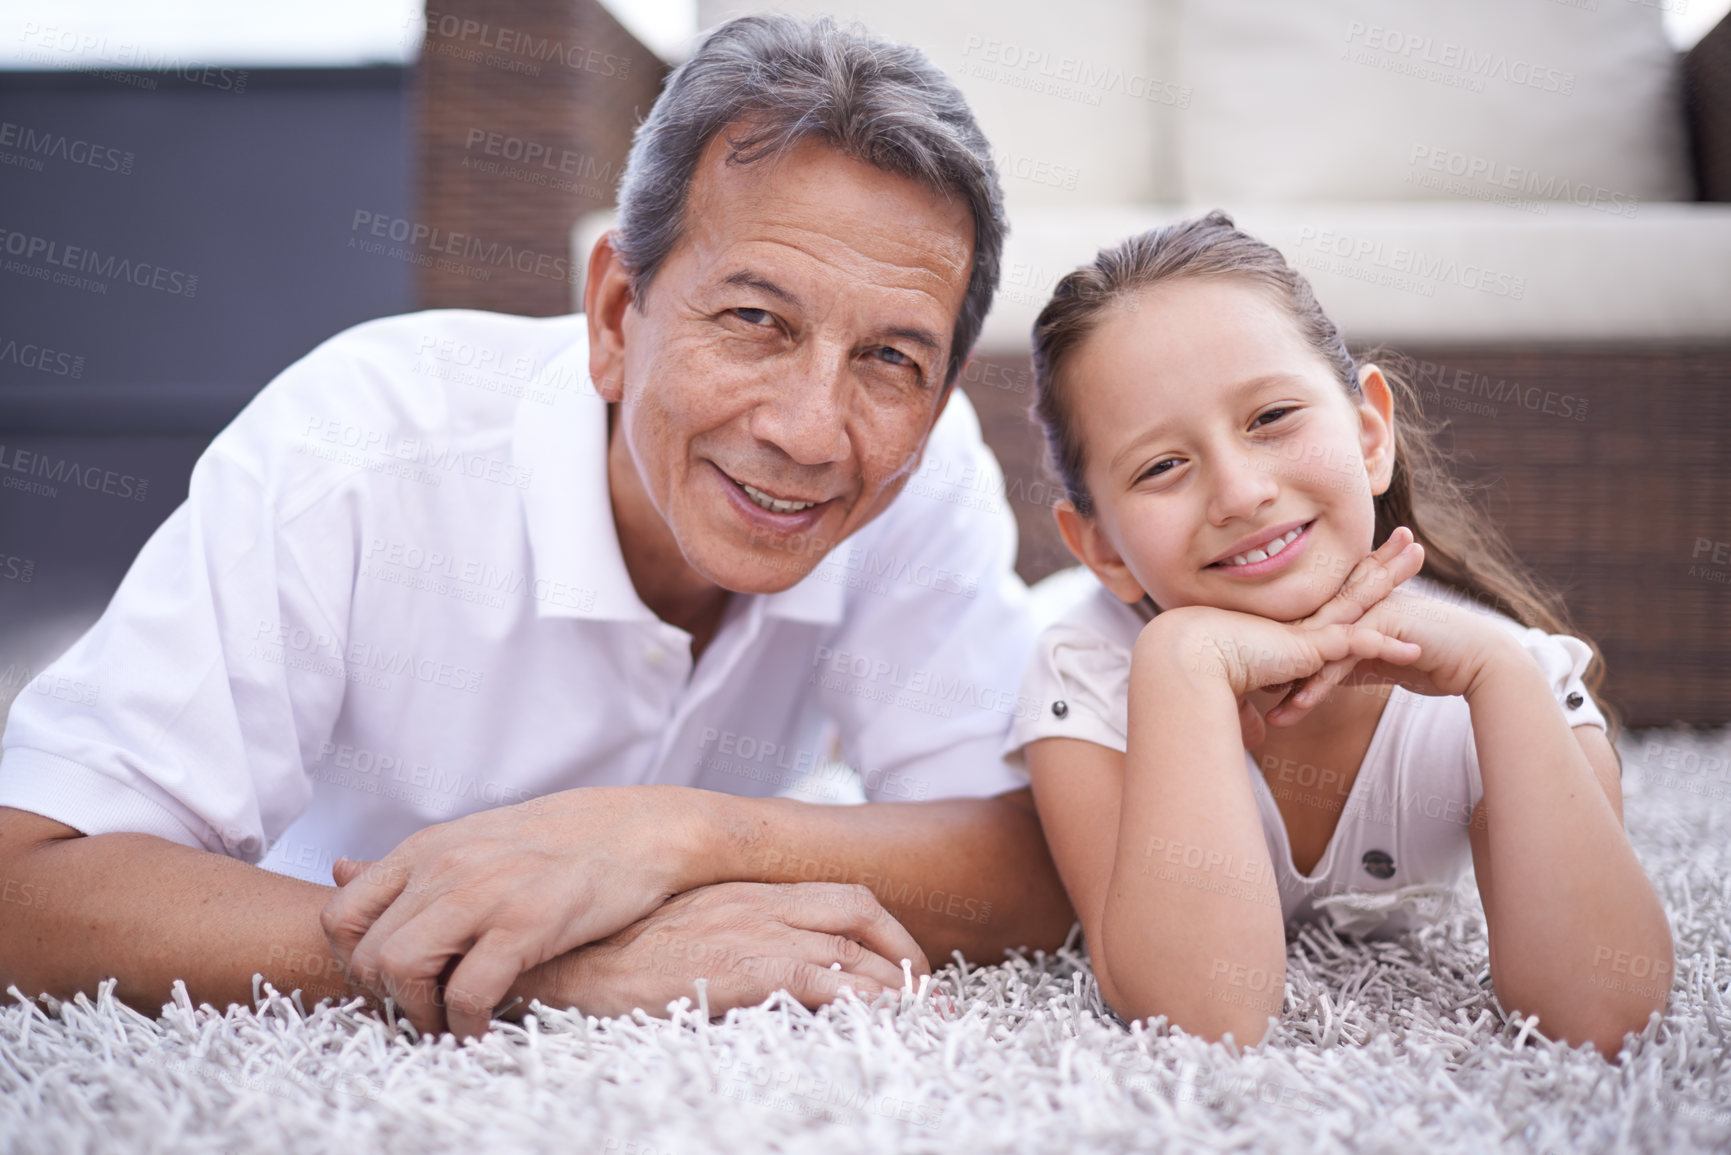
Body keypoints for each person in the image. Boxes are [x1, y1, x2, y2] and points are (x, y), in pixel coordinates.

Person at [0, 14, 1094, 1041]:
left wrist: (674, 835)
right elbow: (26, 882)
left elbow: (1039, 860)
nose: (813, 433)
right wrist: (559, 967)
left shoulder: (918, 467)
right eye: (756, 321)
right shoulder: (354, 447)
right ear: (617, 317)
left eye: (892, 359)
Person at [1005, 211, 1673, 1058]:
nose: (1240, 493)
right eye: (1161, 466)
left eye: (1272, 416)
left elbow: (1604, 1012)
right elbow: (1199, 1015)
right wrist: (1185, 664)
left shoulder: (1503, 671)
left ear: (1368, 435)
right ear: (1102, 545)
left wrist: (1498, 671)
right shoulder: (1083, 668)